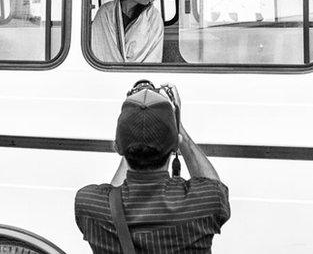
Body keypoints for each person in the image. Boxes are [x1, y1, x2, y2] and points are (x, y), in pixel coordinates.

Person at [75, 84, 230, 253]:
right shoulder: (205, 202)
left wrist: (132, 130)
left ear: (118, 147)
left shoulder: (89, 205)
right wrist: (179, 129)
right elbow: (216, 187)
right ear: (175, 144)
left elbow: (113, 192)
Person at [91, 0, 164, 63]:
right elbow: (99, 48)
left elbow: (154, 54)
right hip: (107, 72)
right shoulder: (105, 12)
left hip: (141, 75)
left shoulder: (153, 16)